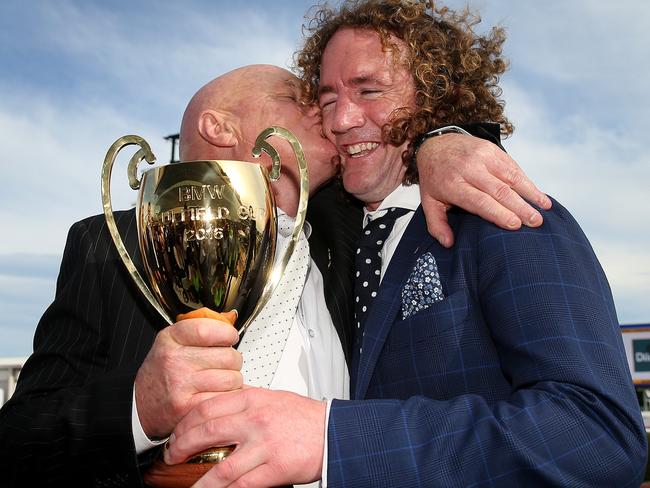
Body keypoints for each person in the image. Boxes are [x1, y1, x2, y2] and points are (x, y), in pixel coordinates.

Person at [164, 2, 648, 487]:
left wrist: (332, 439)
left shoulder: (501, 214)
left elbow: (599, 436)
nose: (342, 119)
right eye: (327, 99)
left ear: (432, 98)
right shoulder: (331, 239)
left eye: (369, 90)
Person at [0, 60, 548, 486]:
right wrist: (137, 409)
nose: (326, 113)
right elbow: (19, 443)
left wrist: (441, 142)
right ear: (220, 124)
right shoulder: (107, 245)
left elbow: (393, 139)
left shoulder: (359, 233)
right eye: (297, 97)